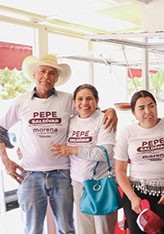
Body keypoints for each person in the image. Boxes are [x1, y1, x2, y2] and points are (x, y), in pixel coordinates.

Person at [0, 54, 117, 234]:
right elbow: (1, 129)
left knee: (66, 228)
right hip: (29, 174)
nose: (46, 76)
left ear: (57, 78)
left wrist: (111, 110)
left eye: (52, 73)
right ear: (34, 74)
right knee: (32, 229)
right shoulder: (21, 101)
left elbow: (90, 109)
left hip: (62, 174)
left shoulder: (67, 99)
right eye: (43, 71)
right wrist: (6, 160)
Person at [50, 84, 117, 234]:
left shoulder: (104, 120)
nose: (84, 103)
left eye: (89, 98)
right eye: (80, 99)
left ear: (97, 100)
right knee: (84, 229)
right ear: (74, 102)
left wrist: (74, 150)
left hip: (100, 183)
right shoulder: (71, 121)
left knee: (103, 229)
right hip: (78, 182)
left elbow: (105, 152)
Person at [114, 90, 164, 234]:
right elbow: (119, 171)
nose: (148, 111)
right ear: (133, 112)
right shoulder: (127, 132)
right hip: (138, 195)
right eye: (141, 108)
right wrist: (133, 198)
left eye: (151, 106)